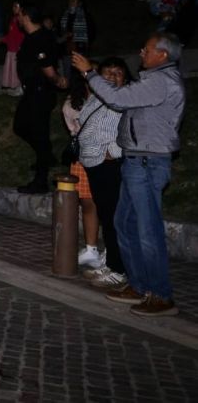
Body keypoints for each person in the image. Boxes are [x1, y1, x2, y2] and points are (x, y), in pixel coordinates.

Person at [74, 34, 186, 317]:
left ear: (161, 55)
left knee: (147, 231)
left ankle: (161, 295)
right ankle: (137, 284)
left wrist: (89, 72)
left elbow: (117, 98)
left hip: (148, 162)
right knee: (124, 223)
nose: (141, 52)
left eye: (146, 49)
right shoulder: (152, 79)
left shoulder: (161, 81)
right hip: (136, 162)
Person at [71, 58, 130, 290]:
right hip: (94, 163)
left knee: (114, 217)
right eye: (108, 73)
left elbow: (122, 127)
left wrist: (112, 152)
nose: (113, 77)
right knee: (106, 216)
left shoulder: (124, 97)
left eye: (118, 73)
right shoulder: (96, 97)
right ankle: (111, 262)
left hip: (109, 164)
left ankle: (119, 270)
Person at [13, 6, 67, 194]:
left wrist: (57, 80)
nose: (16, 18)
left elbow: (47, 67)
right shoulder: (33, 36)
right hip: (31, 92)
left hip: (40, 92)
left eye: (19, 14)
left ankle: (41, 181)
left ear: (27, 16)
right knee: (20, 126)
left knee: (40, 134)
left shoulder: (39, 38)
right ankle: (46, 155)